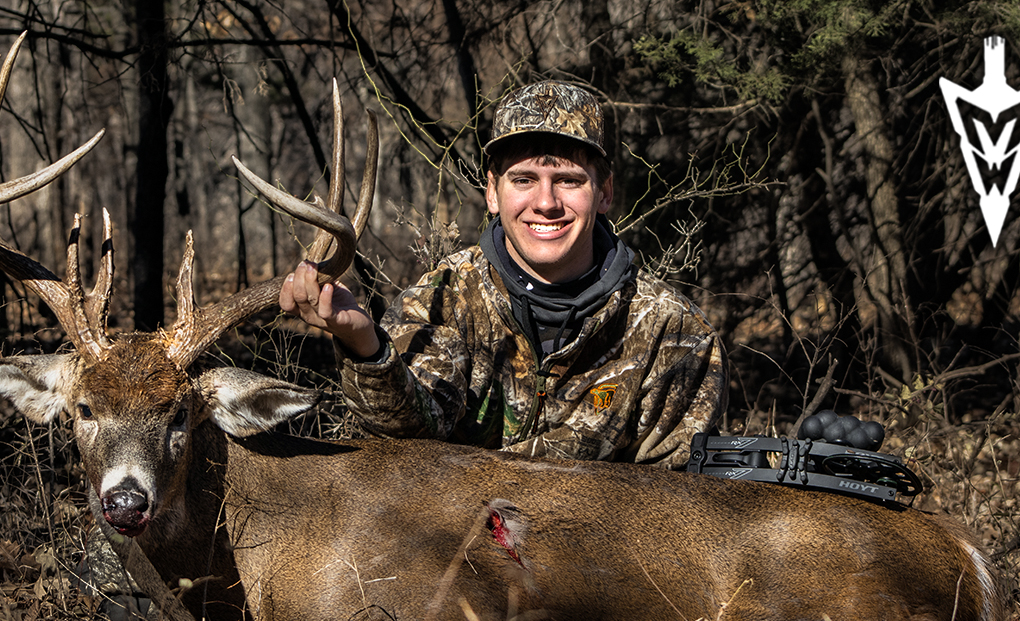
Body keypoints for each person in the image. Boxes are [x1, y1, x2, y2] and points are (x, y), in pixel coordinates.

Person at [279, 80, 726, 467]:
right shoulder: (443, 300)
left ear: (604, 192)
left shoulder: (674, 333)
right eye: (523, 179)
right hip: (459, 555)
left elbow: (679, 506)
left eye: (569, 180)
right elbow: (406, 446)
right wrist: (365, 346)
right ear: (492, 191)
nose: (546, 202)